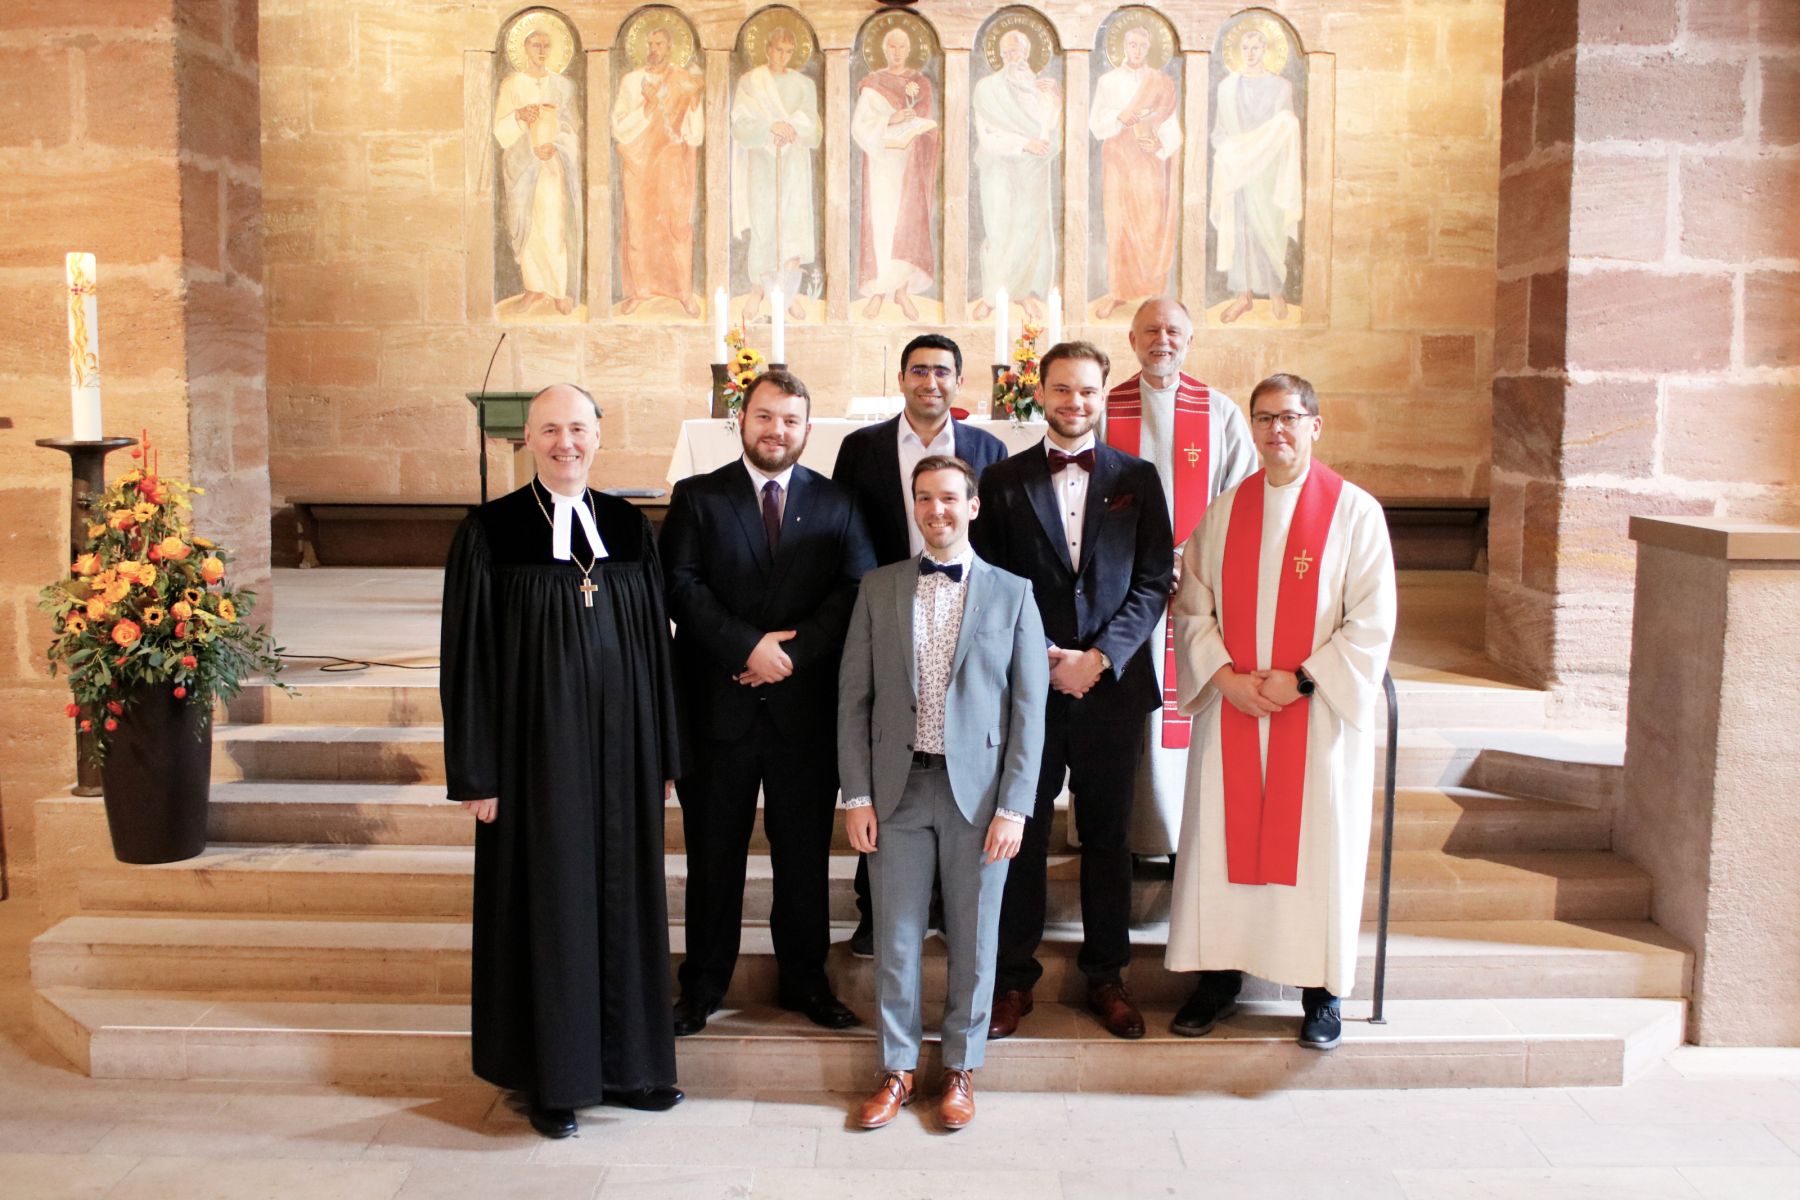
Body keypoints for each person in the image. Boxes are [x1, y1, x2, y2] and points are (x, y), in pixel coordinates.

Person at [440, 383, 683, 1140]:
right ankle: (552, 1079)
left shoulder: (629, 527)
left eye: (577, 428)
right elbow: (466, 659)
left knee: (624, 902)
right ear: (529, 439)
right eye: (550, 430)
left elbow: (656, 648)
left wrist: (663, 752)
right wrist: (476, 772)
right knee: (552, 907)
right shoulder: (491, 530)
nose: (565, 443)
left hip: (624, 755)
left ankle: (627, 1067)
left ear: (598, 436)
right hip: (533, 761)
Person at [1164, 373, 1397, 1049]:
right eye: (1264, 418)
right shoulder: (1225, 512)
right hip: (1234, 709)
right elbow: (1192, 607)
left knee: (1320, 850)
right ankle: (1218, 980)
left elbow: (1372, 621)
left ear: (1315, 425)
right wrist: (1224, 678)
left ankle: (1323, 994)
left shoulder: (1354, 513)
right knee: (1223, 848)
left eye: (1289, 417)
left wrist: (1302, 681)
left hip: (1316, 716)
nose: (1276, 430)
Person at [660, 369, 876, 1036]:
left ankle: (805, 981)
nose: (776, 431)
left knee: (803, 859)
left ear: (807, 429)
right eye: (764, 417)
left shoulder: (838, 502)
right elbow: (679, 584)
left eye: (789, 420)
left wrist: (792, 653)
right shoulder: (698, 497)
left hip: (802, 714)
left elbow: (856, 589)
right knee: (713, 857)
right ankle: (702, 986)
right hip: (717, 709)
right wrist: (746, 647)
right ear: (742, 421)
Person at [838, 455, 1048, 1131]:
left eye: (950, 498)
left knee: (976, 939)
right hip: (897, 793)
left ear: (973, 506)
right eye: (925, 498)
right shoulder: (879, 588)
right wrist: (856, 795)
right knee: (897, 939)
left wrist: (1014, 806)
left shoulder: (1013, 593)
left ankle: (960, 1067)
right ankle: (897, 1069)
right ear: (914, 505)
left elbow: (1029, 710)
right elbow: (854, 699)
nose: (937, 510)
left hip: (980, 800)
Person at [972, 341, 1172, 1041]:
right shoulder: (1001, 480)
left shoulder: (1138, 478)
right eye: (1061, 389)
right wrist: (1044, 659)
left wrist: (1102, 657)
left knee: (1109, 837)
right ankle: (1012, 980)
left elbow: (1153, 580)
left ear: (1103, 393)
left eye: (1087, 390)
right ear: (1040, 393)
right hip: (1029, 689)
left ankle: (1107, 975)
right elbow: (988, 582)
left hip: (1111, 690)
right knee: (1020, 832)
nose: (1074, 402)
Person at [832, 334, 1009, 957]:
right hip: (887, 611)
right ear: (902, 379)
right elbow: (848, 527)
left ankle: (951, 907)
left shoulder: (987, 447)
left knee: (957, 774)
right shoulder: (862, 448)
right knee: (891, 768)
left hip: (963, 611)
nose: (930, 381)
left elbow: (995, 536)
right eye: (918, 371)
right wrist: (877, 598)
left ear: (957, 380)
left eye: (941, 371)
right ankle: (876, 910)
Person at [1102, 298, 1257, 861]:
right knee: (1130, 712)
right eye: (1150, 330)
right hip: (1123, 590)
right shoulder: (1105, 407)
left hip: (1196, 587)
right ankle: (1123, 833)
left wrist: (1191, 560)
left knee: (1184, 706)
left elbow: (1241, 497)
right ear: (1132, 340)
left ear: (1189, 340)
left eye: (1172, 331)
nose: (1161, 340)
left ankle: (1183, 837)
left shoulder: (1219, 412)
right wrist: (1144, 563)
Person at [1210, 24, 1302, 323]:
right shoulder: (1227, 88)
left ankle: (1276, 293)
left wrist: (1260, 147)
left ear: (1266, 50)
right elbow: (1219, 132)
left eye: (1256, 48)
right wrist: (1231, 153)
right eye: (1246, 48)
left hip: (1268, 171)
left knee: (1269, 231)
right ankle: (1243, 296)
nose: (1251, 54)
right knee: (1241, 232)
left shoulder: (1281, 87)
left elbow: (1285, 127)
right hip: (1238, 169)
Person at [1089, 25, 1181, 319]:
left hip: (1149, 162)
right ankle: (1118, 293)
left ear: (1148, 48)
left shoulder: (1161, 82)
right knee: (1118, 224)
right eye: (1132, 44)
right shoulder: (1108, 81)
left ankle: (1153, 292)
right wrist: (1119, 116)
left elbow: (1172, 125)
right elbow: (1096, 123)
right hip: (1118, 160)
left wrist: (1159, 144)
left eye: (1142, 45)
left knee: (1150, 224)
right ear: (1124, 46)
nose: (1137, 50)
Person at [611, 25, 704, 316]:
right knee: (639, 225)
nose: (653, 49)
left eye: (659, 43)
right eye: (650, 43)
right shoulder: (631, 82)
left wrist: (694, 102)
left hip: (671, 161)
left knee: (677, 225)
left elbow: (695, 134)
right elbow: (618, 127)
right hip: (638, 163)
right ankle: (640, 291)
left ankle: (683, 292)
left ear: (670, 47)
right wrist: (648, 107)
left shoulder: (683, 80)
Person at [731, 26, 820, 324]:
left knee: (793, 224)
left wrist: (792, 127)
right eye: (778, 49)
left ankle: (788, 295)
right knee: (764, 224)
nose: (782, 56)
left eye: (788, 51)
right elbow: (739, 122)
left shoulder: (804, 84)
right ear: (767, 48)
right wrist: (770, 127)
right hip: (762, 162)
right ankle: (758, 291)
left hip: (794, 163)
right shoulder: (750, 82)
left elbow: (813, 125)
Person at [970, 29, 1061, 321]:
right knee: (999, 229)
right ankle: (991, 296)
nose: (1013, 58)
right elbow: (987, 137)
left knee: (1029, 229)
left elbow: (1049, 129)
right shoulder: (987, 89)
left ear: (1027, 52)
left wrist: (1055, 99)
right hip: (998, 166)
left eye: (1017, 51)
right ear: (1000, 55)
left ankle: (1020, 292)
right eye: (1007, 52)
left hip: (1034, 168)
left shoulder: (1039, 88)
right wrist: (1024, 143)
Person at [493, 24, 583, 316]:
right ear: (525, 49)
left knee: (553, 223)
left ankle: (558, 289)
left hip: (553, 165)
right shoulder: (512, 85)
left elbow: (573, 126)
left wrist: (556, 146)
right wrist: (519, 115)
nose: (542, 51)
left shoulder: (563, 86)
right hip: (522, 165)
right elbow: (500, 130)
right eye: (536, 45)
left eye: (546, 45)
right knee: (529, 225)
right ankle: (534, 288)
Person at [851, 25, 939, 320]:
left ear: (909, 49)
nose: (897, 52)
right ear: (884, 50)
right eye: (892, 46)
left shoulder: (920, 83)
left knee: (907, 224)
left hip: (910, 165)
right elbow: (860, 125)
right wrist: (891, 118)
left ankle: (901, 291)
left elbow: (927, 124)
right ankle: (879, 292)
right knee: (883, 222)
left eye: (902, 47)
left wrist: (917, 128)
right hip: (882, 163)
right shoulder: (874, 83)